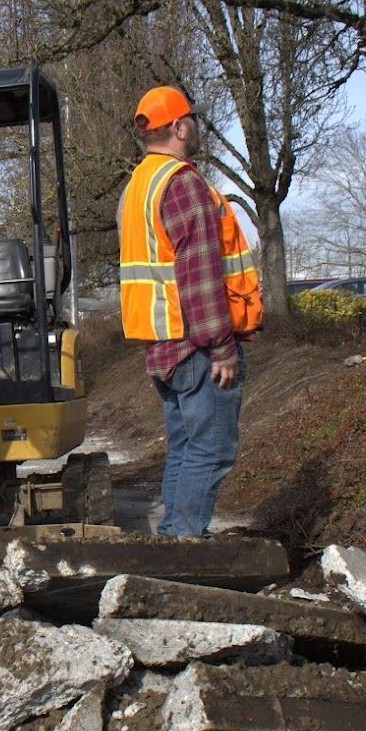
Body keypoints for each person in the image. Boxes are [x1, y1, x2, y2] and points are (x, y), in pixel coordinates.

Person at [118, 86, 263, 537]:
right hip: (197, 345)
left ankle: (173, 542)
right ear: (180, 127)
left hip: (163, 345)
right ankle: (185, 547)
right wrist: (221, 348)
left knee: (184, 447)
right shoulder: (182, 183)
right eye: (193, 121)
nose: (196, 127)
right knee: (210, 449)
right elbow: (198, 274)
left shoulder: (137, 186)